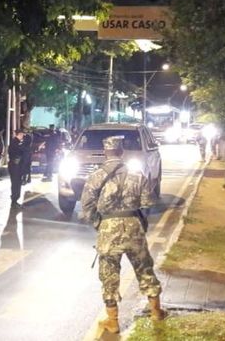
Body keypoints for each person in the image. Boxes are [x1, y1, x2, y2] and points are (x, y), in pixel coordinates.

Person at [79, 136, 165, 334]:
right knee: (144, 269)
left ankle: (113, 321)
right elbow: (148, 203)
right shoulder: (137, 175)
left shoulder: (96, 176)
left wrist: (98, 223)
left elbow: (86, 206)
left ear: (105, 152)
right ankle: (156, 311)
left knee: (109, 275)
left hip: (108, 227)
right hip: (133, 226)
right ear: (121, 152)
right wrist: (141, 222)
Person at [8, 129, 25, 208]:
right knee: (16, 184)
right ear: (20, 134)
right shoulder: (15, 143)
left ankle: (15, 201)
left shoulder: (16, 142)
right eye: (22, 134)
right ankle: (14, 201)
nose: (23, 136)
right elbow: (17, 153)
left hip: (15, 166)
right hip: (15, 166)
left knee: (17, 183)